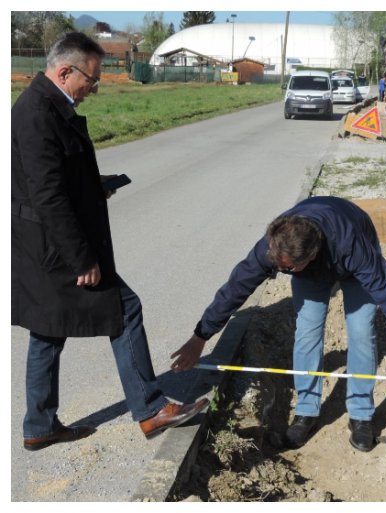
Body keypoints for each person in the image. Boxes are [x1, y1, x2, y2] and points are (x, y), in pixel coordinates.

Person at [11, 32, 208, 451]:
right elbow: (46, 195)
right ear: (65, 71)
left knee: (48, 330)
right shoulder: (35, 113)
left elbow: (54, 179)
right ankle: (151, 408)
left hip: (44, 245)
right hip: (56, 249)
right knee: (124, 308)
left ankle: (39, 424)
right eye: (92, 79)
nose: (95, 89)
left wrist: (92, 185)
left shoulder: (44, 104)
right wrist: (82, 258)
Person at [170, 196, 386, 453]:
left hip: (351, 249)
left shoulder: (352, 246)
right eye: (279, 267)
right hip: (311, 265)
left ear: (310, 255)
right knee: (308, 331)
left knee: (361, 331)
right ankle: (306, 412)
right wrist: (200, 336)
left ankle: (361, 416)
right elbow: (236, 288)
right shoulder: (273, 248)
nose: (282, 272)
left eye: (288, 269)